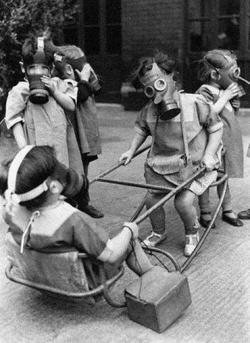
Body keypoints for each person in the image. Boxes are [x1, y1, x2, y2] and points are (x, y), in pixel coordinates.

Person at [119, 52, 223, 256]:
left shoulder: (194, 102)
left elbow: (216, 127)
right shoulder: (149, 110)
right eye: (150, 89)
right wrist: (131, 150)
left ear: (172, 78)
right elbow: (141, 129)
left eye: (160, 84)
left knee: (183, 202)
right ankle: (159, 232)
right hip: (163, 162)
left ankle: (192, 232)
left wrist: (210, 154)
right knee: (151, 199)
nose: (158, 95)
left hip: (196, 162)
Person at [0, 145, 153, 280]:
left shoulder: (10, 212)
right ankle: (152, 278)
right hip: (82, 279)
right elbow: (110, 255)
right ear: (54, 187)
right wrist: (129, 230)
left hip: (41, 272)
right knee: (128, 240)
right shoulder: (73, 221)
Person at [4, 35, 88, 212]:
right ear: (24, 69)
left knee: (64, 173)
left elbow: (71, 105)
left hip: (61, 144)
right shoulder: (21, 90)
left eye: (43, 67)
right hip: (37, 146)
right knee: (43, 178)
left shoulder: (57, 84)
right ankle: (45, 209)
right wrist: (25, 149)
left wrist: (55, 92)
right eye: (32, 68)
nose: (38, 72)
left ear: (50, 69)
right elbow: (13, 119)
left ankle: (72, 204)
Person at [52, 44, 103, 218]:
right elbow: (80, 94)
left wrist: (88, 77)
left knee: (84, 171)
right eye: (83, 67)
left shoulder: (82, 81)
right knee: (72, 171)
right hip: (72, 139)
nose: (88, 69)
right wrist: (84, 79)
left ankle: (84, 202)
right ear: (68, 69)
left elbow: (96, 87)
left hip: (84, 139)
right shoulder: (66, 84)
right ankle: (70, 204)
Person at [196, 49, 244, 228]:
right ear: (215, 74)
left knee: (224, 176)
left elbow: (230, 114)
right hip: (212, 143)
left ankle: (227, 209)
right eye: (233, 72)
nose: (236, 76)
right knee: (207, 177)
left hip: (227, 142)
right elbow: (207, 114)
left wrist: (234, 103)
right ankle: (205, 212)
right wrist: (224, 97)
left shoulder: (225, 91)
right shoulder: (204, 90)